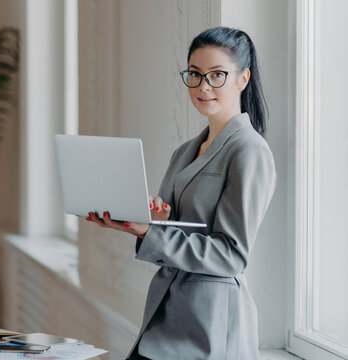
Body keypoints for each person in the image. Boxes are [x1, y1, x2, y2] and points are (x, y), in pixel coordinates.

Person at [86, 26, 276, 360]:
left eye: (217, 75)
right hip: (166, 314)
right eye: (195, 74)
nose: (204, 86)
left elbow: (231, 255)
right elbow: (172, 235)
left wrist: (150, 231)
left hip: (211, 326)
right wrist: (146, 222)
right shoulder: (186, 151)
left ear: (242, 78)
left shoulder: (249, 151)